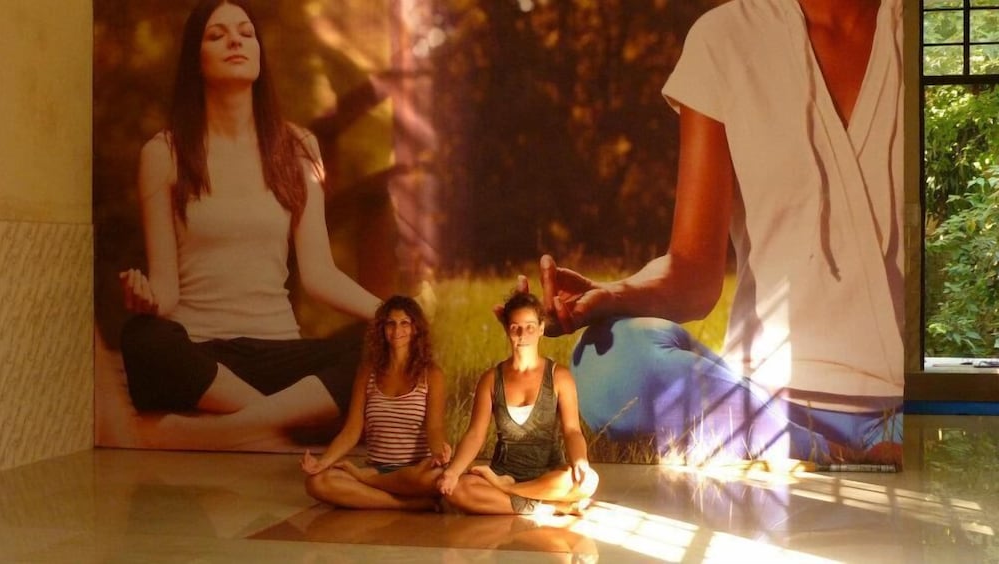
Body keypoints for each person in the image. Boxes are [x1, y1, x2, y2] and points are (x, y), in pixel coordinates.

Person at [532, 0, 904, 465]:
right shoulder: (726, 37)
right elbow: (692, 272)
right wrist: (612, 295)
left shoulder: (936, 29)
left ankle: (792, 453)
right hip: (761, 400)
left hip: (918, 406)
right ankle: (823, 452)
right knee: (608, 361)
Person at [116, 0, 383, 450]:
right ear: (196, 59)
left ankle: (223, 431)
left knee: (382, 345)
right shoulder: (163, 153)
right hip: (202, 358)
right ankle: (290, 422)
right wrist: (145, 298)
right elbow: (167, 291)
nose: (235, 41)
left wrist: (394, 315)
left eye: (245, 33)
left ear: (259, 52)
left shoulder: (298, 147)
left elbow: (319, 274)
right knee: (142, 338)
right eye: (217, 35)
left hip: (280, 352)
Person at [438, 292, 599, 514]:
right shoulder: (491, 379)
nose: (523, 335)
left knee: (589, 481)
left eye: (530, 327)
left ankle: (509, 491)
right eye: (516, 328)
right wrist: (453, 472)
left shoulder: (560, 376)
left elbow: (572, 431)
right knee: (458, 489)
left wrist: (581, 462)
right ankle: (549, 507)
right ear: (507, 329)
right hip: (504, 471)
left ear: (541, 328)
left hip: (548, 474)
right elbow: (475, 434)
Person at [300, 296, 449, 511]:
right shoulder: (367, 372)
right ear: (382, 329)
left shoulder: (432, 375)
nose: (397, 330)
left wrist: (439, 455)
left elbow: (435, 427)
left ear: (416, 329)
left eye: (405, 323)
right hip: (378, 469)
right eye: (390, 323)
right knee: (317, 483)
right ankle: (406, 504)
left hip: (414, 472)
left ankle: (368, 484)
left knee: (434, 477)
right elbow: (352, 429)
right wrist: (322, 462)